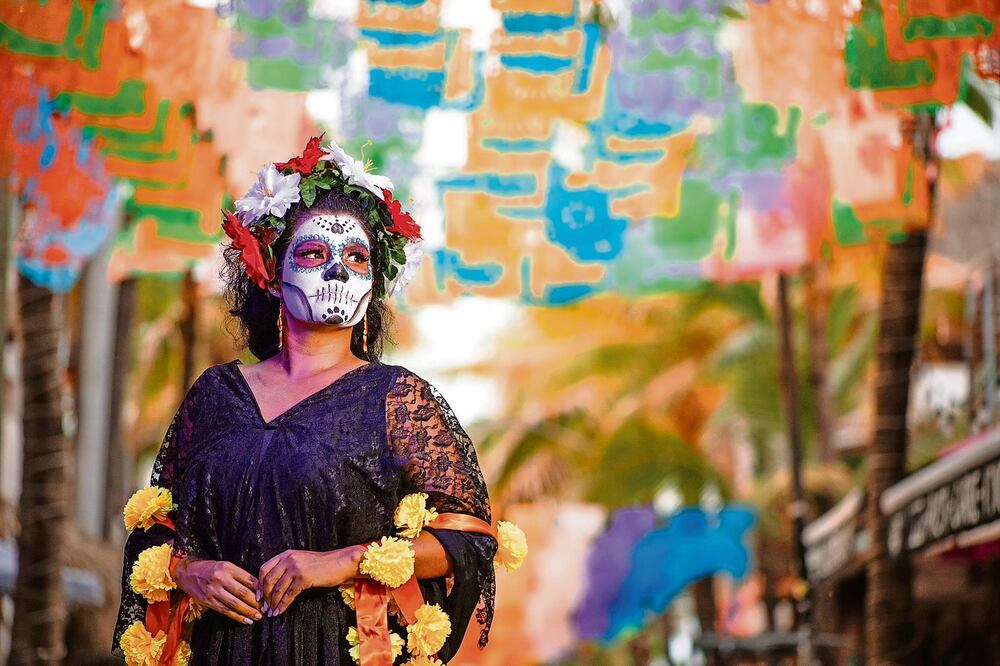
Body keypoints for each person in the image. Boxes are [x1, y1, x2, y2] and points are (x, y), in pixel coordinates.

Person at [112, 137, 526, 666]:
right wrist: (189, 571)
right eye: (313, 254)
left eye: (357, 258)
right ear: (269, 270)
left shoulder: (397, 399)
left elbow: (470, 542)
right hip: (218, 649)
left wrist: (345, 561)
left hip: (331, 649)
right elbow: (154, 532)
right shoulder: (215, 394)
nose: (337, 271)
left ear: (374, 282)